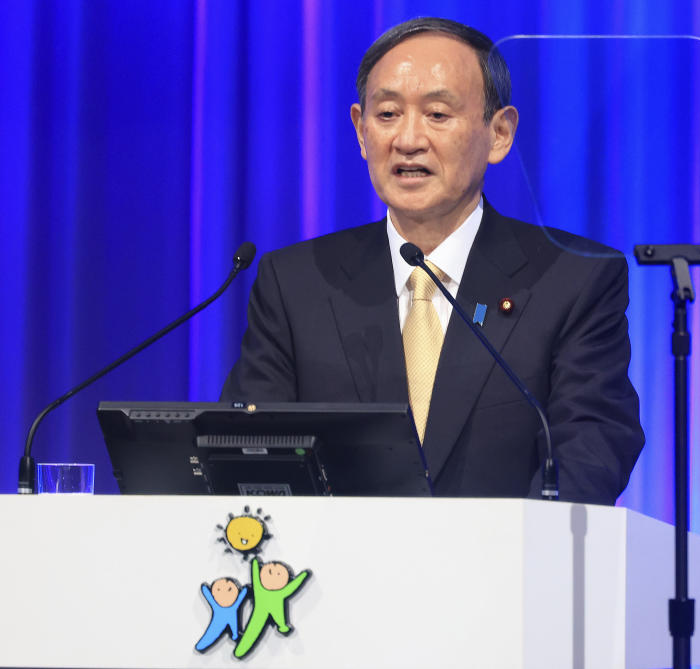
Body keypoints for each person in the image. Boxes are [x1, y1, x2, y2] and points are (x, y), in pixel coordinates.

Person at [221, 17, 644, 505]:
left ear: (500, 133)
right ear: (360, 130)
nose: (407, 140)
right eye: (387, 115)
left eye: (438, 115)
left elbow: (592, 444)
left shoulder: (572, 279)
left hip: (503, 573)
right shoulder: (295, 283)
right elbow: (247, 452)